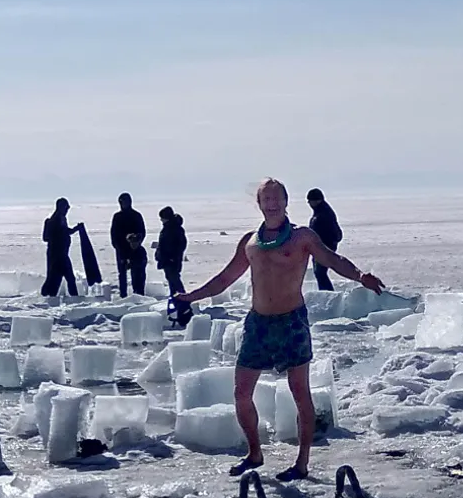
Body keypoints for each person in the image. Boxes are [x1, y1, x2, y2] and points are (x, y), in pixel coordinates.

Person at [176, 178, 385, 482]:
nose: (271, 203)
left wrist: (360, 275)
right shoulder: (250, 242)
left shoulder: (303, 237)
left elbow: (332, 259)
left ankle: (301, 462)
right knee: (241, 392)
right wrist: (191, 296)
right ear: (259, 204)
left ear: (286, 201)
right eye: (266, 199)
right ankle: (254, 453)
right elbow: (224, 279)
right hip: (258, 324)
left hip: (291, 323)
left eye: (277, 198)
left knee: (300, 392)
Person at [40, 198, 83, 297]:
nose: (67, 210)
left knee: (58, 279)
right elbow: (47, 237)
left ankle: (51, 297)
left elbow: (66, 231)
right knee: (59, 279)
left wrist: (76, 229)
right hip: (57, 256)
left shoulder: (61, 219)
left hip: (61, 254)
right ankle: (72, 299)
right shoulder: (54, 220)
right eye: (66, 208)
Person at [110, 193, 146, 297]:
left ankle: (138, 294)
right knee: (122, 274)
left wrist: (136, 243)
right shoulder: (117, 217)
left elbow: (142, 232)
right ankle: (123, 295)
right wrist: (118, 248)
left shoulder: (136, 215)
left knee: (137, 274)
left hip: (135, 249)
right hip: (121, 250)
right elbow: (114, 234)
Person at [306, 188, 343, 291]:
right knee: (320, 273)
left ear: (317, 200)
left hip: (323, 247)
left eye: (310, 200)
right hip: (323, 246)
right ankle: (326, 293)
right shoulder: (322, 211)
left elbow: (334, 233)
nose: (309, 203)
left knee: (320, 273)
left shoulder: (322, 215)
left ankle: (327, 294)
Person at [155, 206, 187, 297]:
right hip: (167, 260)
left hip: (172, 261)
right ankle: (176, 299)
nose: (161, 220)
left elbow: (180, 245)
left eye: (162, 218)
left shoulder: (175, 229)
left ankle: (182, 299)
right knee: (171, 280)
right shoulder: (168, 228)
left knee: (175, 281)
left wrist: (172, 257)